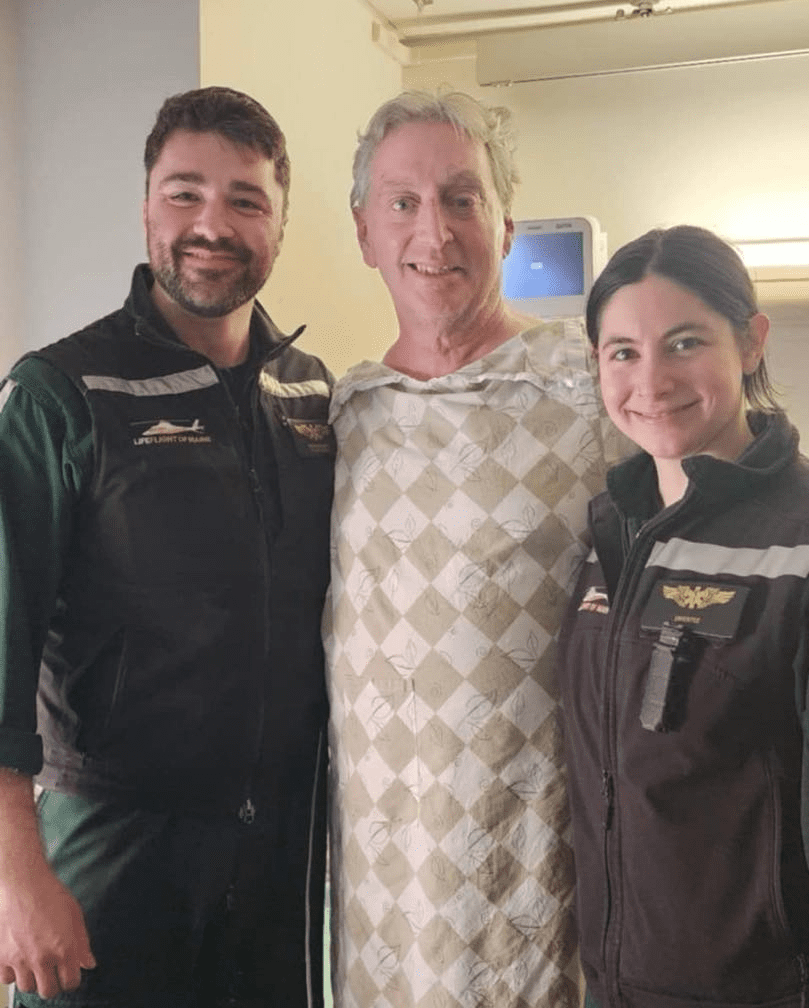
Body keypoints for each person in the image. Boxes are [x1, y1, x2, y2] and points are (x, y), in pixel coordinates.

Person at [0, 86, 334, 1008]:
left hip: (280, 858)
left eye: (245, 200)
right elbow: (2, 640)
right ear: (146, 204)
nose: (211, 225)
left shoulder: (311, 395)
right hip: (110, 845)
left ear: (279, 221)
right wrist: (15, 878)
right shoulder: (59, 391)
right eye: (184, 193)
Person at [325, 90, 620, 1008]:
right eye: (403, 202)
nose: (435, 231)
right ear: (366, 230)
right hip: (381, 888)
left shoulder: (592, 390)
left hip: (539, 868)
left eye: (461, 198)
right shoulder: (341, 417)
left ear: (504, 224)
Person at [559, 224, 809, 1008]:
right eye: (622, 351)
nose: (651, 379)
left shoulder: (795, 539)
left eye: (684, 342)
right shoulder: (609, 530)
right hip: (613, 983)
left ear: (750, 341)